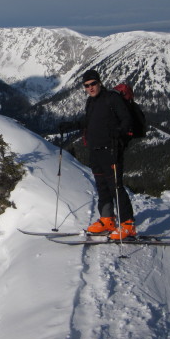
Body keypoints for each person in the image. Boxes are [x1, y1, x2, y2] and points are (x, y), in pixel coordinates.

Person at [59, 69, 137, 240]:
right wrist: (70, 125)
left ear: (99, 82)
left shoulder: (112, 98)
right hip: (95, 151)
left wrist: (119, 135)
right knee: (102, 186)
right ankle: (107, 219)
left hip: (111, 150)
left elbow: (127, 121)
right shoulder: (91, 102)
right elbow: (89, 122)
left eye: (93, 83)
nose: (90, 88)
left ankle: (128, 224)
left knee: (116, 186)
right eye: (87, 85)